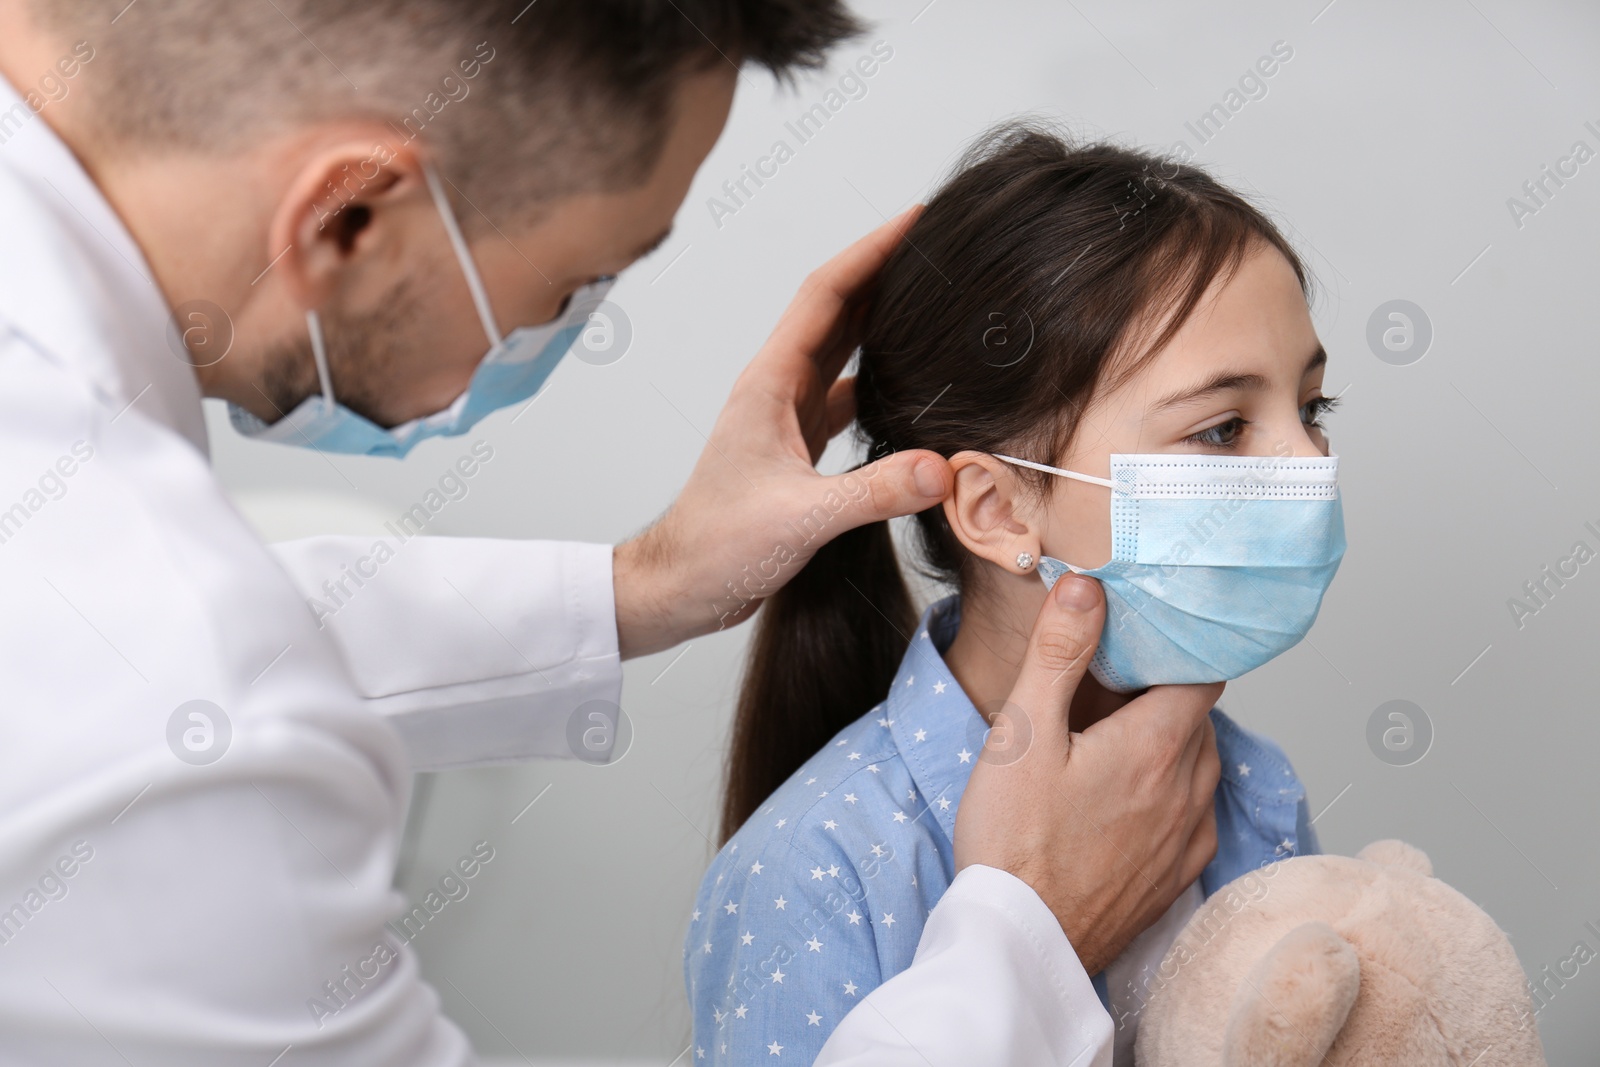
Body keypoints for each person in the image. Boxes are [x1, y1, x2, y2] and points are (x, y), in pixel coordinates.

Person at [0, 3, 1223, 1063]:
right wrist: (1025, 941)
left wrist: (643, 584)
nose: (560, 326)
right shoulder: (156, 700)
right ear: (351, 221)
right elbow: (168, 687)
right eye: (582, 279)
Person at [687, 125, 1345, 1065]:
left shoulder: (1254, 785)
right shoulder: (814, 871)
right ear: (996, 508)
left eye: (1312, 408)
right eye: (1224, 426)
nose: (1309, 465)